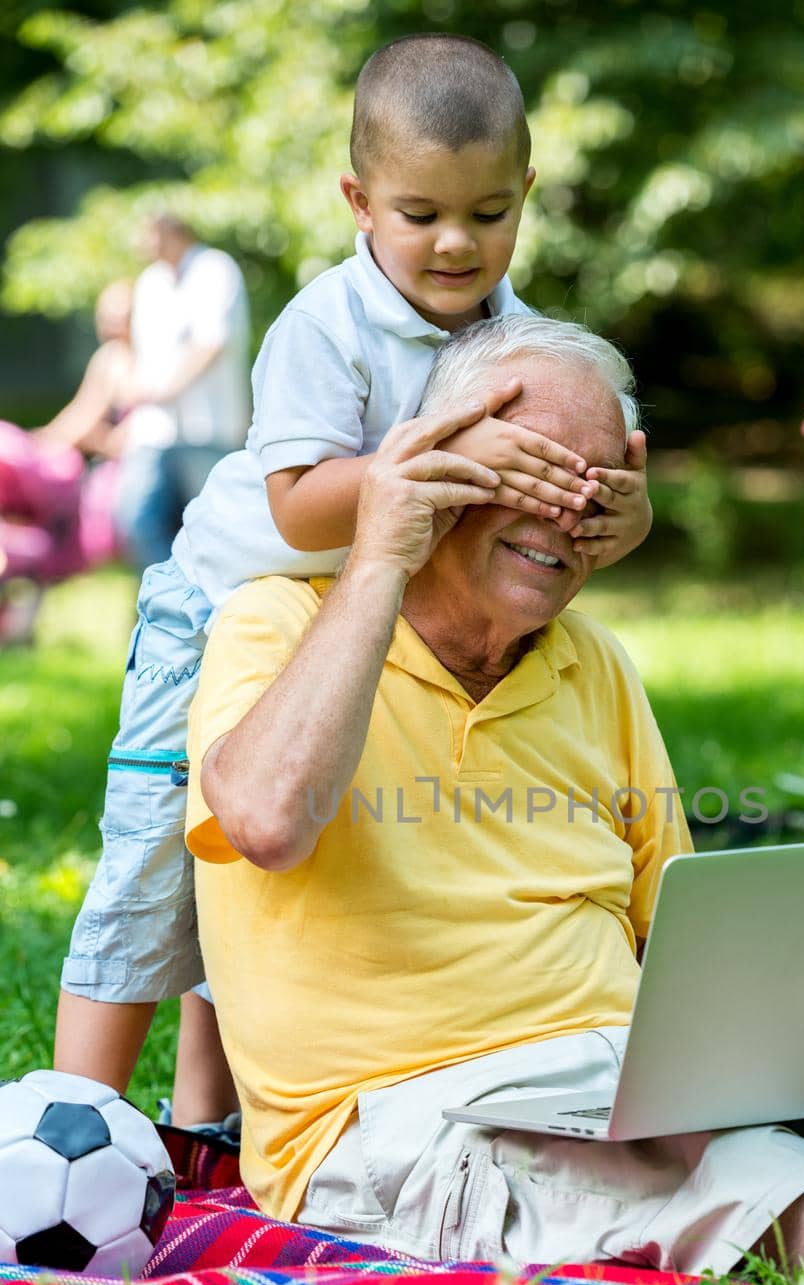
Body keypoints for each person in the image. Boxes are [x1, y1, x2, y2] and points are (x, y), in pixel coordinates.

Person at [183, 315, 804, 1285]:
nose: (566, 512)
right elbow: (265, 819)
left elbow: (672, 939)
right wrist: (381, 557)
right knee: (746, 1179)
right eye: (533, 470)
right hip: (409, 1121)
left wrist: (779, 1061)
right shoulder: (279, 622)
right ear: (436, 466)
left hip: (622, 1082)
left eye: (597, 485)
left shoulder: (593, 662)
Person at [54, 35, 652, 1142]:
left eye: (487, 211)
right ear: (358, 201)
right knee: (153, 854)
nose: (456, 241)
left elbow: (590, 465)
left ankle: (203, 1125)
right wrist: (417, 473)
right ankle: (67, 1117)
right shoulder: (324, 328)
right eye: (420, 212)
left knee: (277, 875)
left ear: (526, 195)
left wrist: (628, 510)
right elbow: (292, 505)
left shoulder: (522, 334)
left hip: (363, 623)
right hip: (222, 604)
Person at [0, 280, 136, 644]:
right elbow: (82, 414)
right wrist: (39, 443)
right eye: (104, 316)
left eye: (119, 316)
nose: (110, 325)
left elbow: (94, 423)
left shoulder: (143, 356)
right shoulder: (109, 358)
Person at [117, 213, 250, 573]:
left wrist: (162, 389)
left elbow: (212, 342)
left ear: (171, 232)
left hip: (209, 427)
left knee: (213, 529)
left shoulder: (215, 269)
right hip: (155, 430)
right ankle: (172, 596)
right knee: (135, 519)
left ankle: (211, 609)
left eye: (148, 235)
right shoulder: (150, 281)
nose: (143, 245)